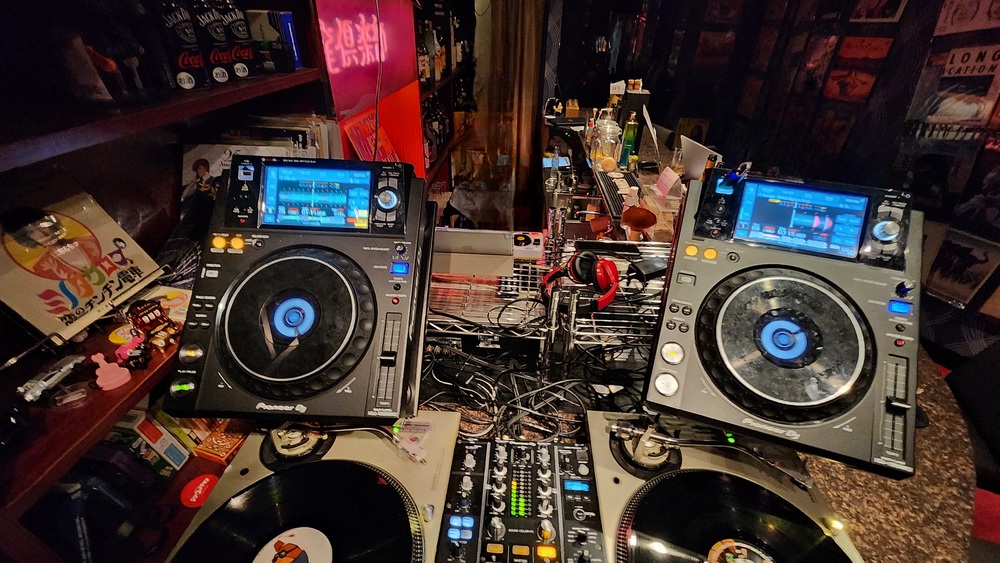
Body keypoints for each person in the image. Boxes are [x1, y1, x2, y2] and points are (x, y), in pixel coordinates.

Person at [0, 207, 102, 299]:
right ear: (27, 239)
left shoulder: (89, 241)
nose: (42, 233)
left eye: (41, 225)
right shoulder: (42, 267)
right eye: (31, 232)